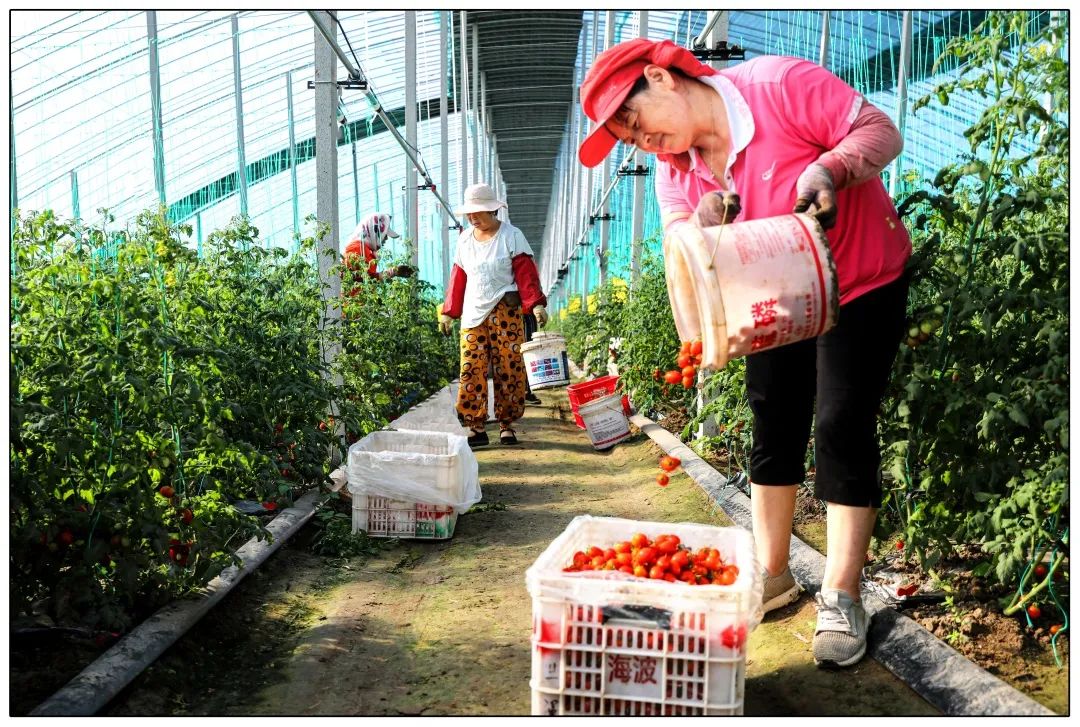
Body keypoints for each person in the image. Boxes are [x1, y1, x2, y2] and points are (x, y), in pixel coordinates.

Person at [578, 39, 912, 668]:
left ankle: (841, 594)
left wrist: (830, 170)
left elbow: (878, 129)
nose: (635, 139)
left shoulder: (779, 87)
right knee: (773, 415)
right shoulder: (676, 168)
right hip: (774, 298)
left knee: (841, 420)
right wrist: (702, 219)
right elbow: (682, 239)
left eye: (631, 119)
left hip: (861, 279)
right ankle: (774, 572)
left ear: (660, 78)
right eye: (622, 137)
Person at [439, 183, 548, 447]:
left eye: (478, 212)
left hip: (505, 309)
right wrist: (448, 313)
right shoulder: (465, 239)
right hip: (473, 314)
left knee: (508, 366)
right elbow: (458, 277)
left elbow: (526, 274)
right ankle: (476, 426)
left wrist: (536, 304)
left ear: (492, 209)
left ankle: (506, 424)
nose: (472, 217)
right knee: (471, 369)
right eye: (469, 213)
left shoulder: (512, 235)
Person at [342, 212, 413, 287]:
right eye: (384, 235)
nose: (386, 238)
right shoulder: (356, 249)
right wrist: (391, 273)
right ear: (373, 231)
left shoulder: (365, 249)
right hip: (352, 298)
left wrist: (393, 272)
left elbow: (367, 278)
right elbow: (350, 278)